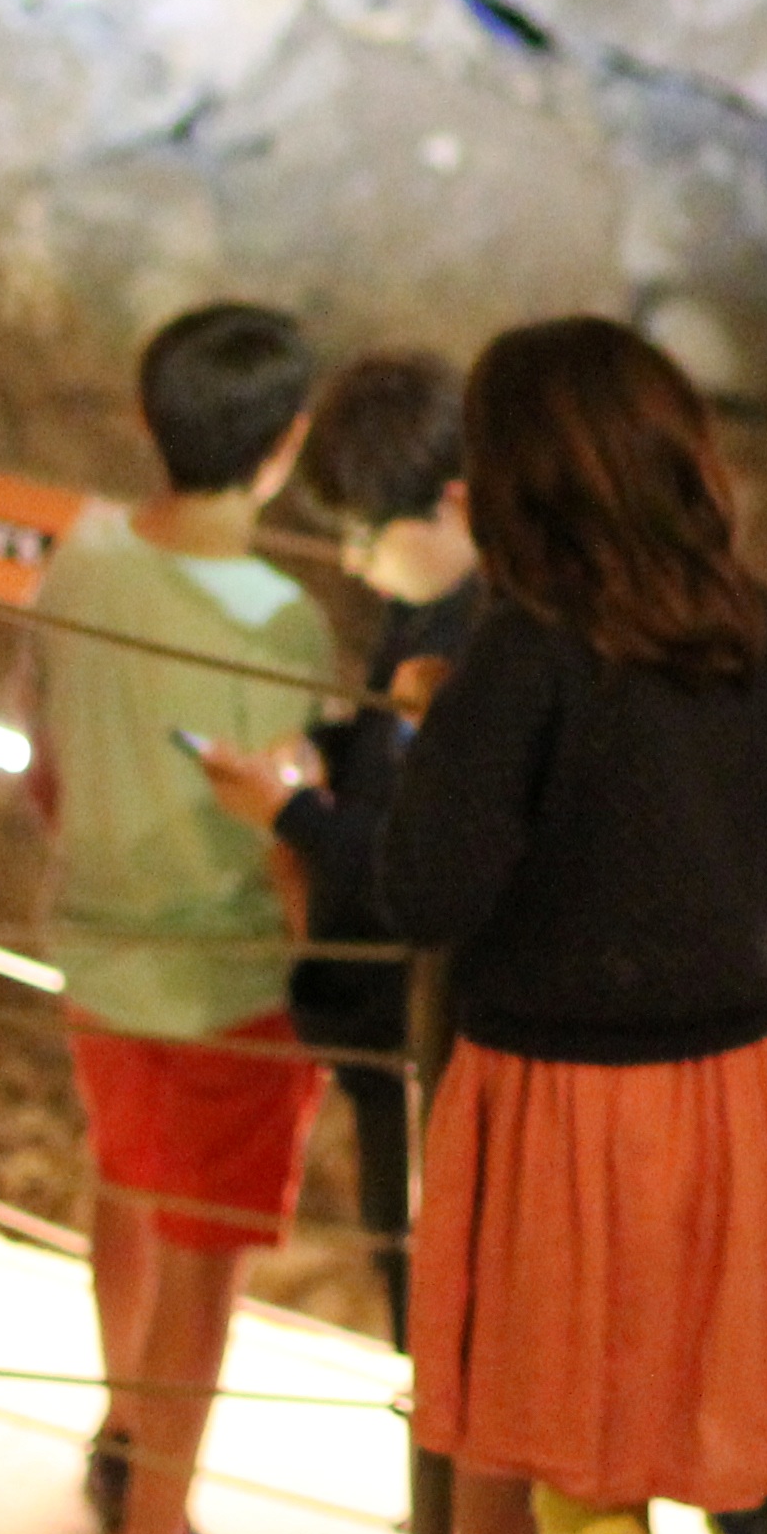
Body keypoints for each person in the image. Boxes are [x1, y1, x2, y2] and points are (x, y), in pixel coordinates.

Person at [260, 318, 767, 1534]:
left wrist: (450, 738)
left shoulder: (530, 651)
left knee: (584, 1501)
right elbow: (761, 851)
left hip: (571, 1106)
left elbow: (429, 887)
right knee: (597, 1449)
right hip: (724, 1089)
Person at [31, 301, 335, 1534]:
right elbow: (280, 820)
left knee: (123, 1182)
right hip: (225, 978)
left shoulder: (80, 559)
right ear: (288, 449)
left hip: (98, 944)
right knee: (203, 1257)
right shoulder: (279, 620)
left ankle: (122, 1431)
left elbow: (43, 755)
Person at [254, 347, 474, 1311]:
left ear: (457, 502)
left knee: (438, 1291)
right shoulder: (425, 610)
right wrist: (328, 753)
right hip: (392, 1031)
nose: (352, 561)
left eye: (368, 535)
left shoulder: (478, 644)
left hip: (434, 1026)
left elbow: (424, 866)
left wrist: (290, 811)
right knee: (408, 1271)